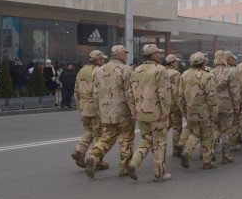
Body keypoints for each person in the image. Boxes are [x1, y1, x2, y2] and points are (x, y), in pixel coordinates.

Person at [85, 46, 135, 178]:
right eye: (125, 54)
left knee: (106, 137)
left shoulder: (99, 70)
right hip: (123, 112)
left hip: (106, 111)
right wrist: (134, 111)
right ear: (119, 55)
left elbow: (95, 93)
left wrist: (99, 110)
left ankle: (93, 156)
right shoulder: (126, 70)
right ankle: (124, 167)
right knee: (126, 139)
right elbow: (129, 93)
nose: (126, 57)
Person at [126, 44, 172, 182]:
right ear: (152, 55)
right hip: (156, 113)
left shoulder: (136, 71)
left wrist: (133, 111)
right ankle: (160, 173)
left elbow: (130, 94)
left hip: (141, 112)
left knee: (146, 140)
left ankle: (134, 162)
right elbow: (163, 93)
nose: (159, 55)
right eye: (157, 53)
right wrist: (166, 111)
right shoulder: (160, 70)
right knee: (159, 143)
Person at [179, 52, 218, 170]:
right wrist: (214, 113)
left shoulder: (184, 75)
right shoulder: (208, 76)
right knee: (207, 136)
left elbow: (180, 95)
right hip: (204, 111)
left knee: (194, 133)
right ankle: (207, 161)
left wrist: (183, 111)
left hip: (190, 111)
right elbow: (212, 97)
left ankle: (187, 151)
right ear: (204, 63)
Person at [71, 50, 107, 170]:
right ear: (98, 60)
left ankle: (79, 150)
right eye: (102, 59)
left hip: (84, 106)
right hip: (95, 107)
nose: (103, 61)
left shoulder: (82, 70)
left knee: (88, 131)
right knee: (99, 134)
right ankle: (96, 160)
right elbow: (102, 91)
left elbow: (76, 91)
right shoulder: (100, 71)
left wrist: (80, 108)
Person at [211, 50, 241, 164]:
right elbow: (234, 91)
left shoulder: (210, 72)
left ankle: (210, 151)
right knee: (226, 131)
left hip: (214, 105)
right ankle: (226, 155)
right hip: (227, 105)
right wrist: (237, 106)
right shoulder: (231, 72)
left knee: (215, 129)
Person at [164, 54, 183, 157]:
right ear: (172, 63)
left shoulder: (162, 71)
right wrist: (179, 105)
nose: (178, 63)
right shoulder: (176, 73)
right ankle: (176, 149)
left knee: (166, 125)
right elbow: (176, 90)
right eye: (176, 61)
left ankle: (155, 143)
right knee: (177, 126)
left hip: (164, 104)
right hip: (173, 103)